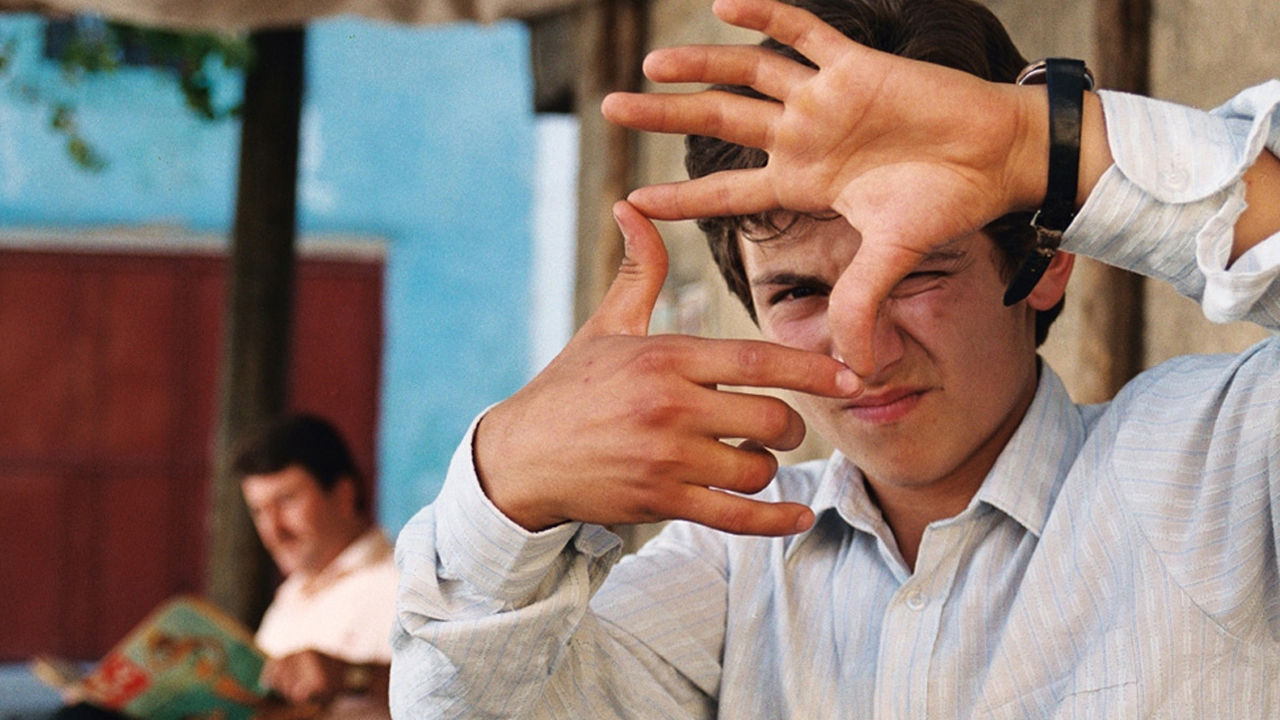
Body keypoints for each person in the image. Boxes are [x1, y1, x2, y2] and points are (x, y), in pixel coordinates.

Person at [390, 0, 1280, 716]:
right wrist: (505, 486)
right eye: (798, 294)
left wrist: (1039, 147)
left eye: (918, 271)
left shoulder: (1215, 469)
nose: (861, 342)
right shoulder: (732, 564)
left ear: (1045, 266)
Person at [235, 413, 398, 720]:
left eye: (286, 501)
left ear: (344, 495)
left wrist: (350, 676)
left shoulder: (407, 583)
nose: (273, 530)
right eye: (259, 511)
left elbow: (461, 693)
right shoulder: (289, 599)